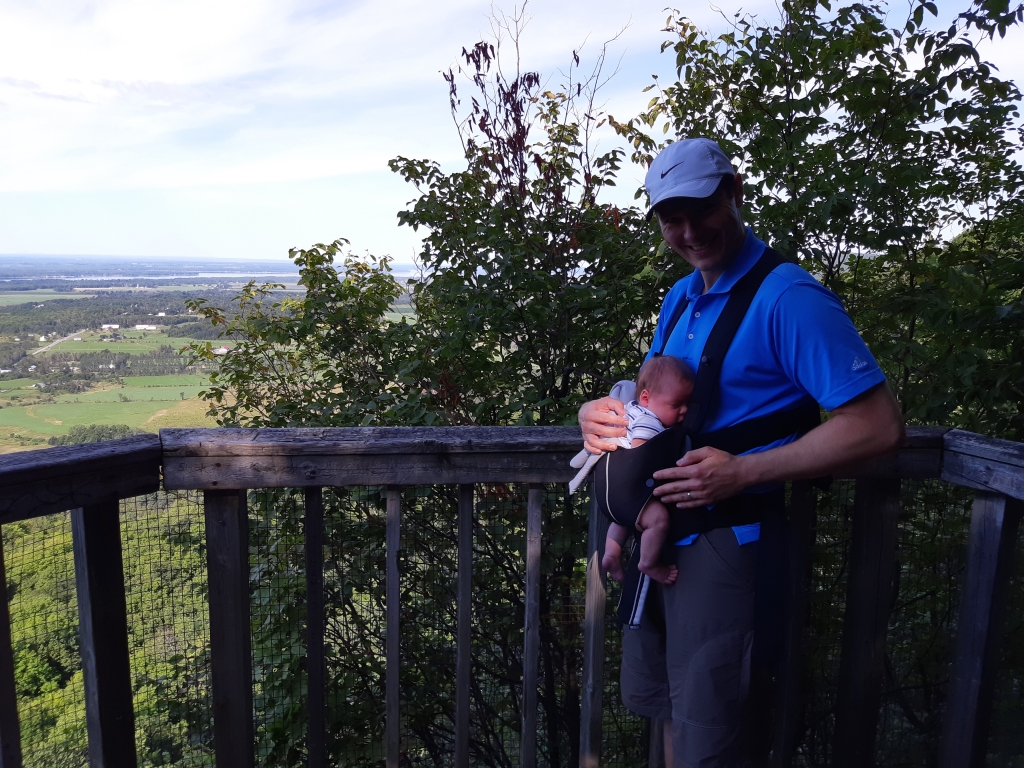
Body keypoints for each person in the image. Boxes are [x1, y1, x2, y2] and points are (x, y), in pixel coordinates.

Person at [577, 138, 904, 766]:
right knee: (671, 714)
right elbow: (650, 394)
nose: (689, 232)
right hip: (663, 540)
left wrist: (744, 471)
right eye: (672, 219)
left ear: (735, 194)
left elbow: (878, 425)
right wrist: (599, 411)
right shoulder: (681, 298)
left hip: (729, 544)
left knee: (712, 730)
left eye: (703, 210)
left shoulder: (788, 298)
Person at [569, 355, 695, 585]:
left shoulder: (630, 410)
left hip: (610, 495)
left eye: (687, 403)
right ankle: (648, 563)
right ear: (646, 397)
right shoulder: (650, 422)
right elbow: (640, 455)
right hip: (629, 487)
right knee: (658, 520)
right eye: (676, 405)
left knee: (625, 519)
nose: (684, 411)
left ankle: (611, 554)